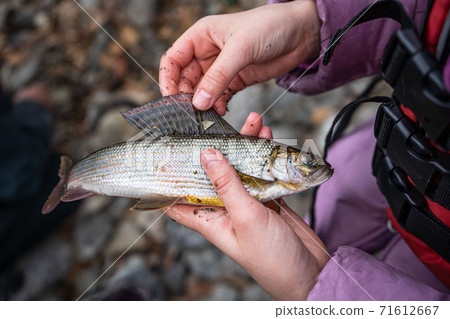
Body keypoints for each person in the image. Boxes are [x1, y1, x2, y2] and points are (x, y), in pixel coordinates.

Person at [158, 0, 450, 300]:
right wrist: (311, 24)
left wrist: (313, 285)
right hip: (390, 157)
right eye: (301, 162)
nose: (308, 164)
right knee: (334, 202)